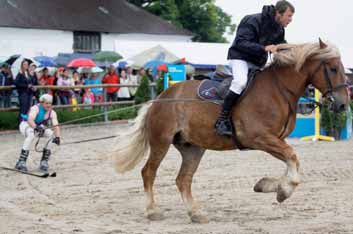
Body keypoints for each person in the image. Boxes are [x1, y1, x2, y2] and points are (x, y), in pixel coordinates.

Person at [215, 0, 295, 137]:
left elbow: (280, 46)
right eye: (289, 16)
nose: (290, 20)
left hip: (257, 62)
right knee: (240, 82)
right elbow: (241, 42)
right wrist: (264, 48)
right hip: (240, 58)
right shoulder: (252, 20)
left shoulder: (279, 29)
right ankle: (222, 120)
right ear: (278, 13)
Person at [15, 94, 61, 172]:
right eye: (47, 103)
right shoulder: (35, 108)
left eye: (50, 103)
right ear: (42, 103)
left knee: (51, 134)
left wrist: (57, 137)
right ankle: (21, 161)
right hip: (26, 124)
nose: (49, 105)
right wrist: (36, 127)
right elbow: (30, 120)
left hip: (38, 127)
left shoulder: (52, 112)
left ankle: (44, 162)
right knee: (31, 135)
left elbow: (56, 125)